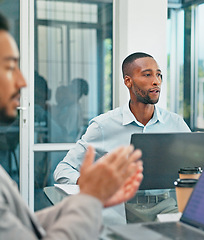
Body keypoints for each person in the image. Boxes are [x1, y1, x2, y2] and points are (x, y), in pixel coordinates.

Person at [0, 12, 143, 239]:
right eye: (9, 67)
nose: (22, 81)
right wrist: (90, 199)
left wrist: (91, 198)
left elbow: (25, 227)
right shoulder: (103, 124)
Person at [54, 52, 190, 184]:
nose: (156, 81)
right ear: (128, 81)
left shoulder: (176, 123)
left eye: (159, 75)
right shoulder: (103, 126)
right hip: (118, 205)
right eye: (147, 75)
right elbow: (63, 169)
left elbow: (195, 168)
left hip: (166, 204)